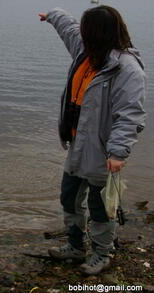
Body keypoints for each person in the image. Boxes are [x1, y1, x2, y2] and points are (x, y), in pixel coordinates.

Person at [39, 6, 146, 275]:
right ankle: (75, 246)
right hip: (77, 146)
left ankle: (102, 252)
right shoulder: (86, 53)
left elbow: (130, 115)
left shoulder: (126, 69)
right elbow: (69, 29)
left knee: (100, 207)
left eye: (87, 32)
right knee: (69, 198)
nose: (82, 36)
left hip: (103, 152)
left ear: (98, 34)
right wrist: (52, 14)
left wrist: (119, 153)